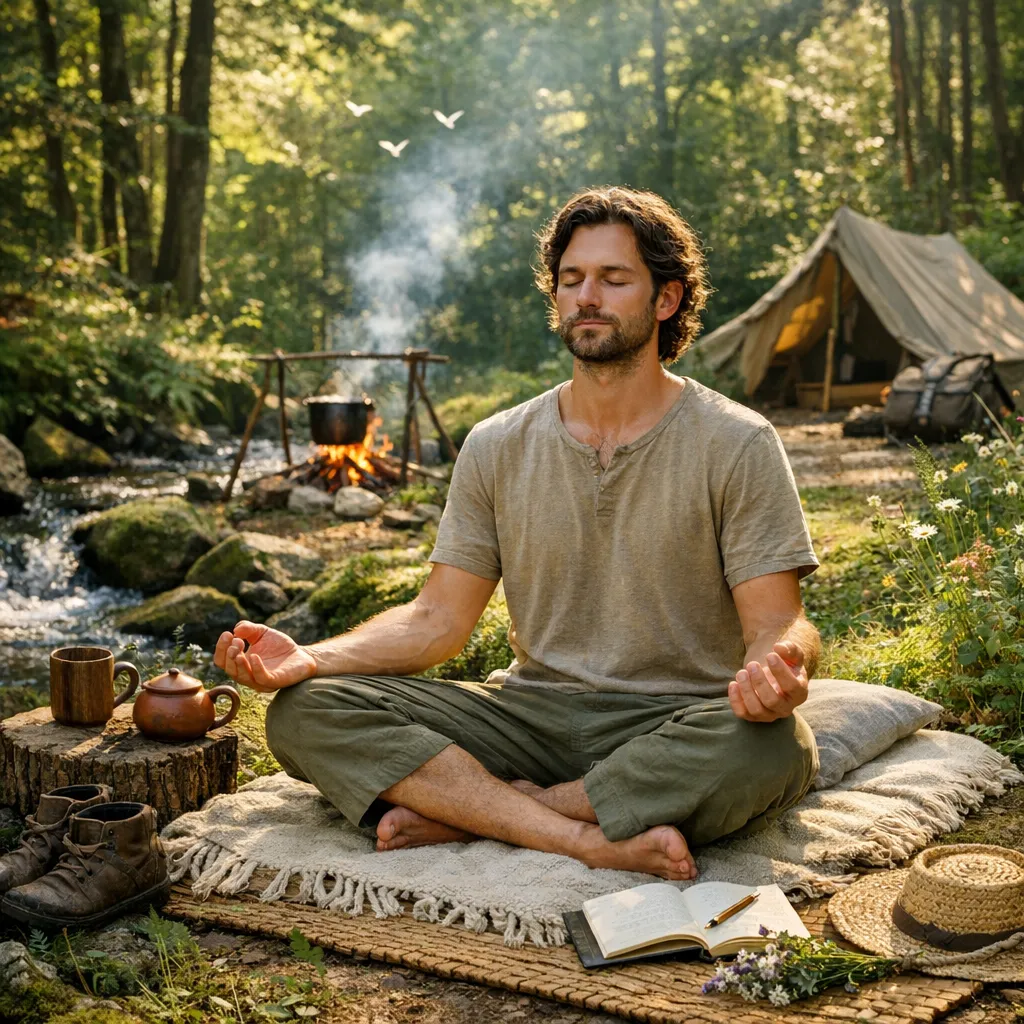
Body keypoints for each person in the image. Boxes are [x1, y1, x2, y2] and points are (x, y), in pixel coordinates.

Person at [214, 186, 820, 881]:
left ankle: (486, 812)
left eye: (613, 279)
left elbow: (779, 622)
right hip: (527, 719)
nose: (586, 296)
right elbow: (437, 621)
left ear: (667, 299)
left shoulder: (737, 441)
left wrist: (781, 668)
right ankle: (583, 836)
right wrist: (312, 658)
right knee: (304, 711)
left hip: (672, 724)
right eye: (571, 280)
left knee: (776, 749)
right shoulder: (496, 443)